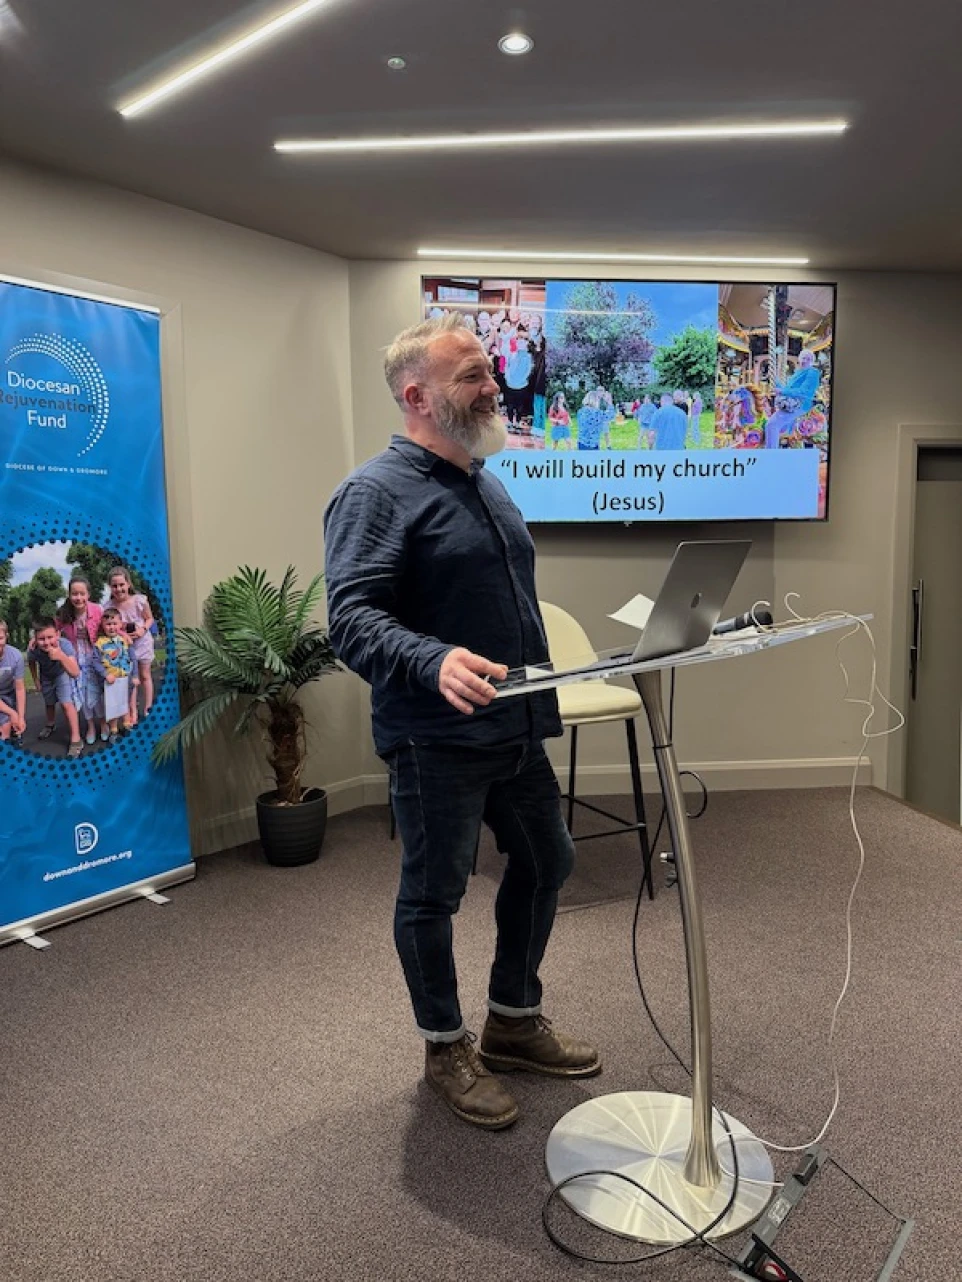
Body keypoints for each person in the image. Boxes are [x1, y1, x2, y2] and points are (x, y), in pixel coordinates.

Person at [323, 313, 600, 1131]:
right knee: (433, 895)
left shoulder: (488, 481)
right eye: (473, 376)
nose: (493, 387)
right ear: (418, 395)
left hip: (514, 727)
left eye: (489, 371)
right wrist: (433, 658)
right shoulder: (374, 492)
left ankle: (512, 1021)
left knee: (549, 860)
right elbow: (351, 618)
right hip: (434, 737)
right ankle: (446, 1044)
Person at [57, 574, 107, 746]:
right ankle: (91, 726)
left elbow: (111, 626)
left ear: (88, 595)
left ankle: (103, 723)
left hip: (95, 656)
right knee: (83, 694)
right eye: (74, 594)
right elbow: (51, 629)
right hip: (77, 659)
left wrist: (125, 636)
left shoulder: (97, 610)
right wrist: (35, 639)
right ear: (69, 595)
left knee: (98, 692)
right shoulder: (64, 614)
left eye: (81, 594)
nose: (78, 598)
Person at [107, 566, 155, 726]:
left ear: (128, 584)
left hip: (143, 643)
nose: (119, 589)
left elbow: (149, 619)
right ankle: (132, 711)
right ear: (110, 587)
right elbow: (109, 627)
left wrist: (143, 629)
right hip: (125, 648)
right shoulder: (108, 606)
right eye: (114, 586)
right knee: (130, 680)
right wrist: (123, 635)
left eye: (121, 584)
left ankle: (148, 708)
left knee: (145, 675)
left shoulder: (139, 600)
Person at [27, 619, 82, 757]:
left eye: (50, 637)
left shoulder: (65, 645)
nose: (46, 642)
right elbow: (31, 662)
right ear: (35, 638)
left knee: (66, 703)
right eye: (41, 639)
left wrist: (61, 656)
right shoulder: (33, 649)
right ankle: (50, 724)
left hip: (61, 673)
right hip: (45, 676)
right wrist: (36, 680)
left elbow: (75, 672)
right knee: (49, 701)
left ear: (57, 634)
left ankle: (76, 739)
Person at [92, 608, 138, 743]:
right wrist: (105, 674)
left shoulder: (124, 640)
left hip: (126, 678)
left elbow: (133, 658)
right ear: (103, 625)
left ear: (120, 625)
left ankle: (126, 725)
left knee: (125, 702)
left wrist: (135, 675)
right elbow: (95, 661)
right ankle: (113, 730)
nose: (112, 627)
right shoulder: (100, 643)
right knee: (113, 705)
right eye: (108, 624)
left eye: (114, 623)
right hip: (111, 681)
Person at [765, 349, 821, 449]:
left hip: (800, 404)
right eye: (803, 358)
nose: (805, 360)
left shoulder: (812, 372)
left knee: (772, 424)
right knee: (770, 424)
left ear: (812, 361)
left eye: (808, 359)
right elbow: (787, 389)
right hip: (791, 403)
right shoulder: (798, 373)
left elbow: (804, 391)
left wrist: (782, 392)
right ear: (799, 359)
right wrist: (775, 381)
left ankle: (771, 453)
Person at [0, 618, 27, 743]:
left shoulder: (15, 656)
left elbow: (20, 688)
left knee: (14, 722)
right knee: (4, 726)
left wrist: (20, 717)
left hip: (9, 693)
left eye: (0, 638)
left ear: (6, 636)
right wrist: (12, 713)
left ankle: (15, 733)